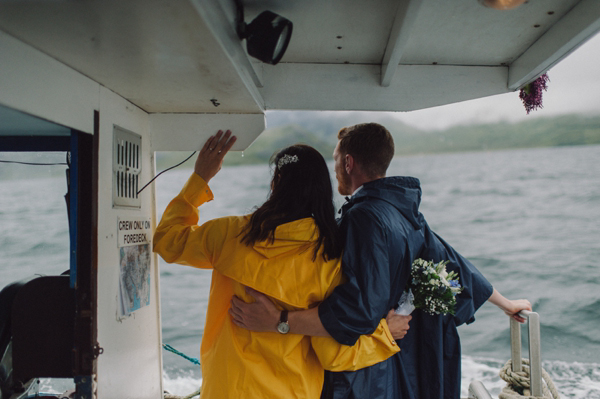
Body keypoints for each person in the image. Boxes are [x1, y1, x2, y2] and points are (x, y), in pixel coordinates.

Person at [230, 123, 532, 399]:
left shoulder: (364, 217)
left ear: (348, 163)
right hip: (400, 358)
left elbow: (357, 312)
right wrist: (505, 303)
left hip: (367, 372)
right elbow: (450, 260)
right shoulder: (401, 209)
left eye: (335, 160)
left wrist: (278, 322)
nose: (334, 169)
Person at [153, 130, 402, 399]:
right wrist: (384, 336)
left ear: (277, 183)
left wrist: (201, 177)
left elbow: (167, 240)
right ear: (322, 189)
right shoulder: (328, 258)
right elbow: (334, 356)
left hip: (225, 388)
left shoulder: (229, 235)